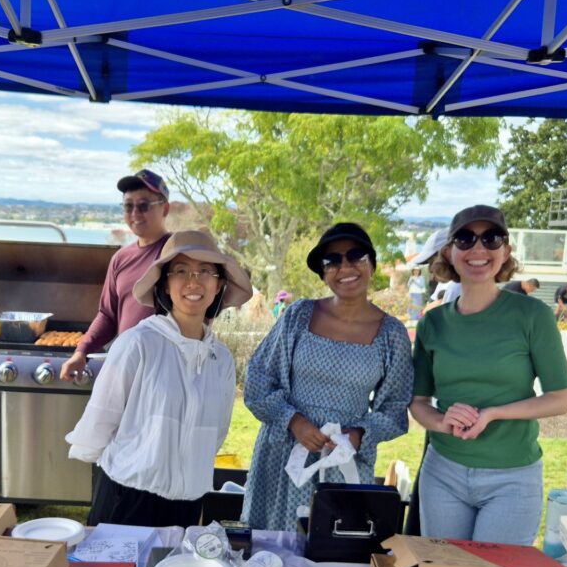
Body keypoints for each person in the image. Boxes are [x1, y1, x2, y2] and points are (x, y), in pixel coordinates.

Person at [409, 205, 567, 546]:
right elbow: (419, 402)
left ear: (506, 252)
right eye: (466, 239)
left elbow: (560, 398)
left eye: (491, 238)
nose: (478, 249)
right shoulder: (433, 324)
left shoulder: (533, 316)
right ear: (449, 253)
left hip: (512, 478)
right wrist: (441, 422)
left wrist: (494, 413)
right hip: (443, 473)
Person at [65, 230, 251, 527]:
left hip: (187, 503)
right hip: (128, 496)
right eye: (181, 271)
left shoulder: (221, 359)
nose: (193, 281)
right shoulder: (138, 343)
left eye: (205, 271)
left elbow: (216, 431)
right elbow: (101, 418)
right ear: (165, 283)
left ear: (219, 285)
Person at [242, 222, 413, 531]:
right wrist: (294, 420)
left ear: (372, 264)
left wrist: (360, 434)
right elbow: (258, 377)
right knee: (269, 553)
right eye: (332, 260)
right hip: (282, 452)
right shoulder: (298, 316)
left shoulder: (392, 334)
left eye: (355, 256)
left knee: (332, 552)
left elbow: (395, 409)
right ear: (323, 273)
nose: (344, 266)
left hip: (341, 462)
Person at [60, 169, 172, 382]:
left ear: (165, 208)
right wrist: (82, 351)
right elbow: (107, 315)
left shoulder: (177, 253)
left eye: (144, 205)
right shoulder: (120, 258)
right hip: (127, 370)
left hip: (165, 373)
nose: (135, 214)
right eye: (128, 206)